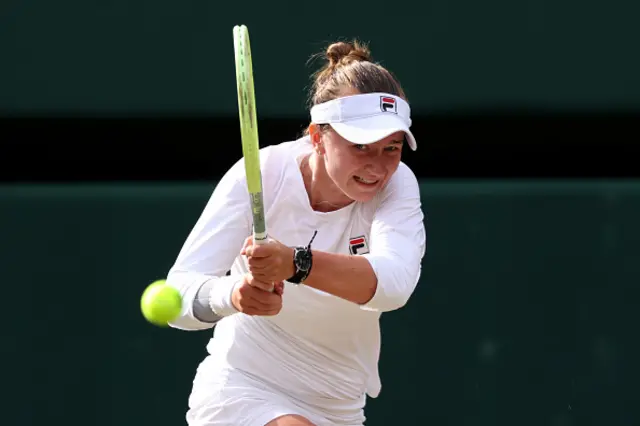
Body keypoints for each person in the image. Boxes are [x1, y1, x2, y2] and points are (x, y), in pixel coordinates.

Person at [166, 39, 427, 426]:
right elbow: (178, 296)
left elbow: (394, 284)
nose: (377, 166)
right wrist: (233, 296)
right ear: (318, 136)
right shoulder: (264, 172)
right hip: (242, 385)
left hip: (339, 403)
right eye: (360, 146)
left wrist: (295, 263)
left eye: (391, 148)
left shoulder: (397, 185)